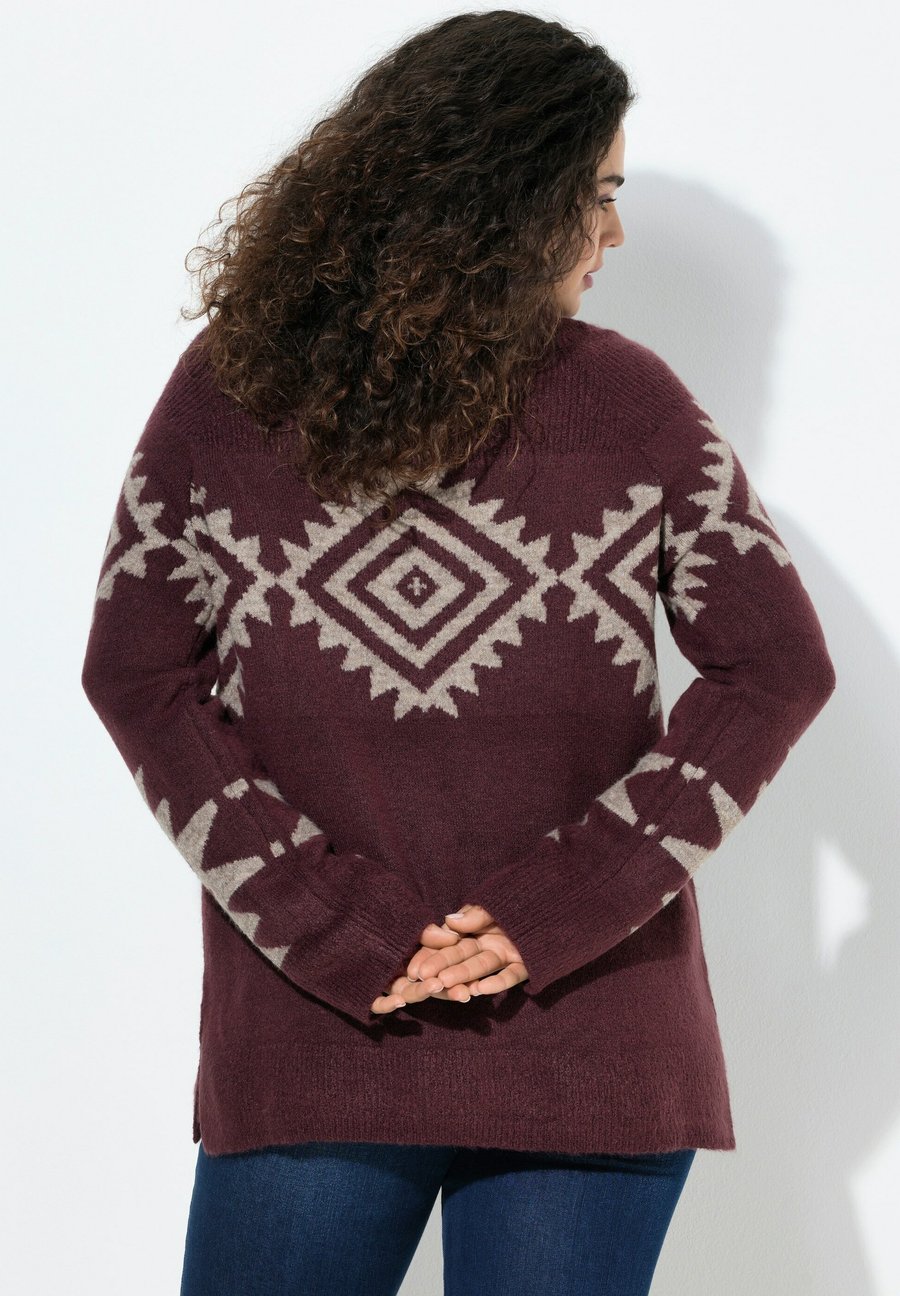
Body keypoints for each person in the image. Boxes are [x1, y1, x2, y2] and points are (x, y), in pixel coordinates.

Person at [80, 11, 836, 1295]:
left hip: (579, 1037)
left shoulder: (633, 405)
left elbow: (774, 669)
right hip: (324, 1028)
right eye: (597, 195)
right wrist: (329, 918)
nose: (613, 236)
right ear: (500, 202)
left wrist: (562, 905)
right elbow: (139, 675)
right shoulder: (230, 396)